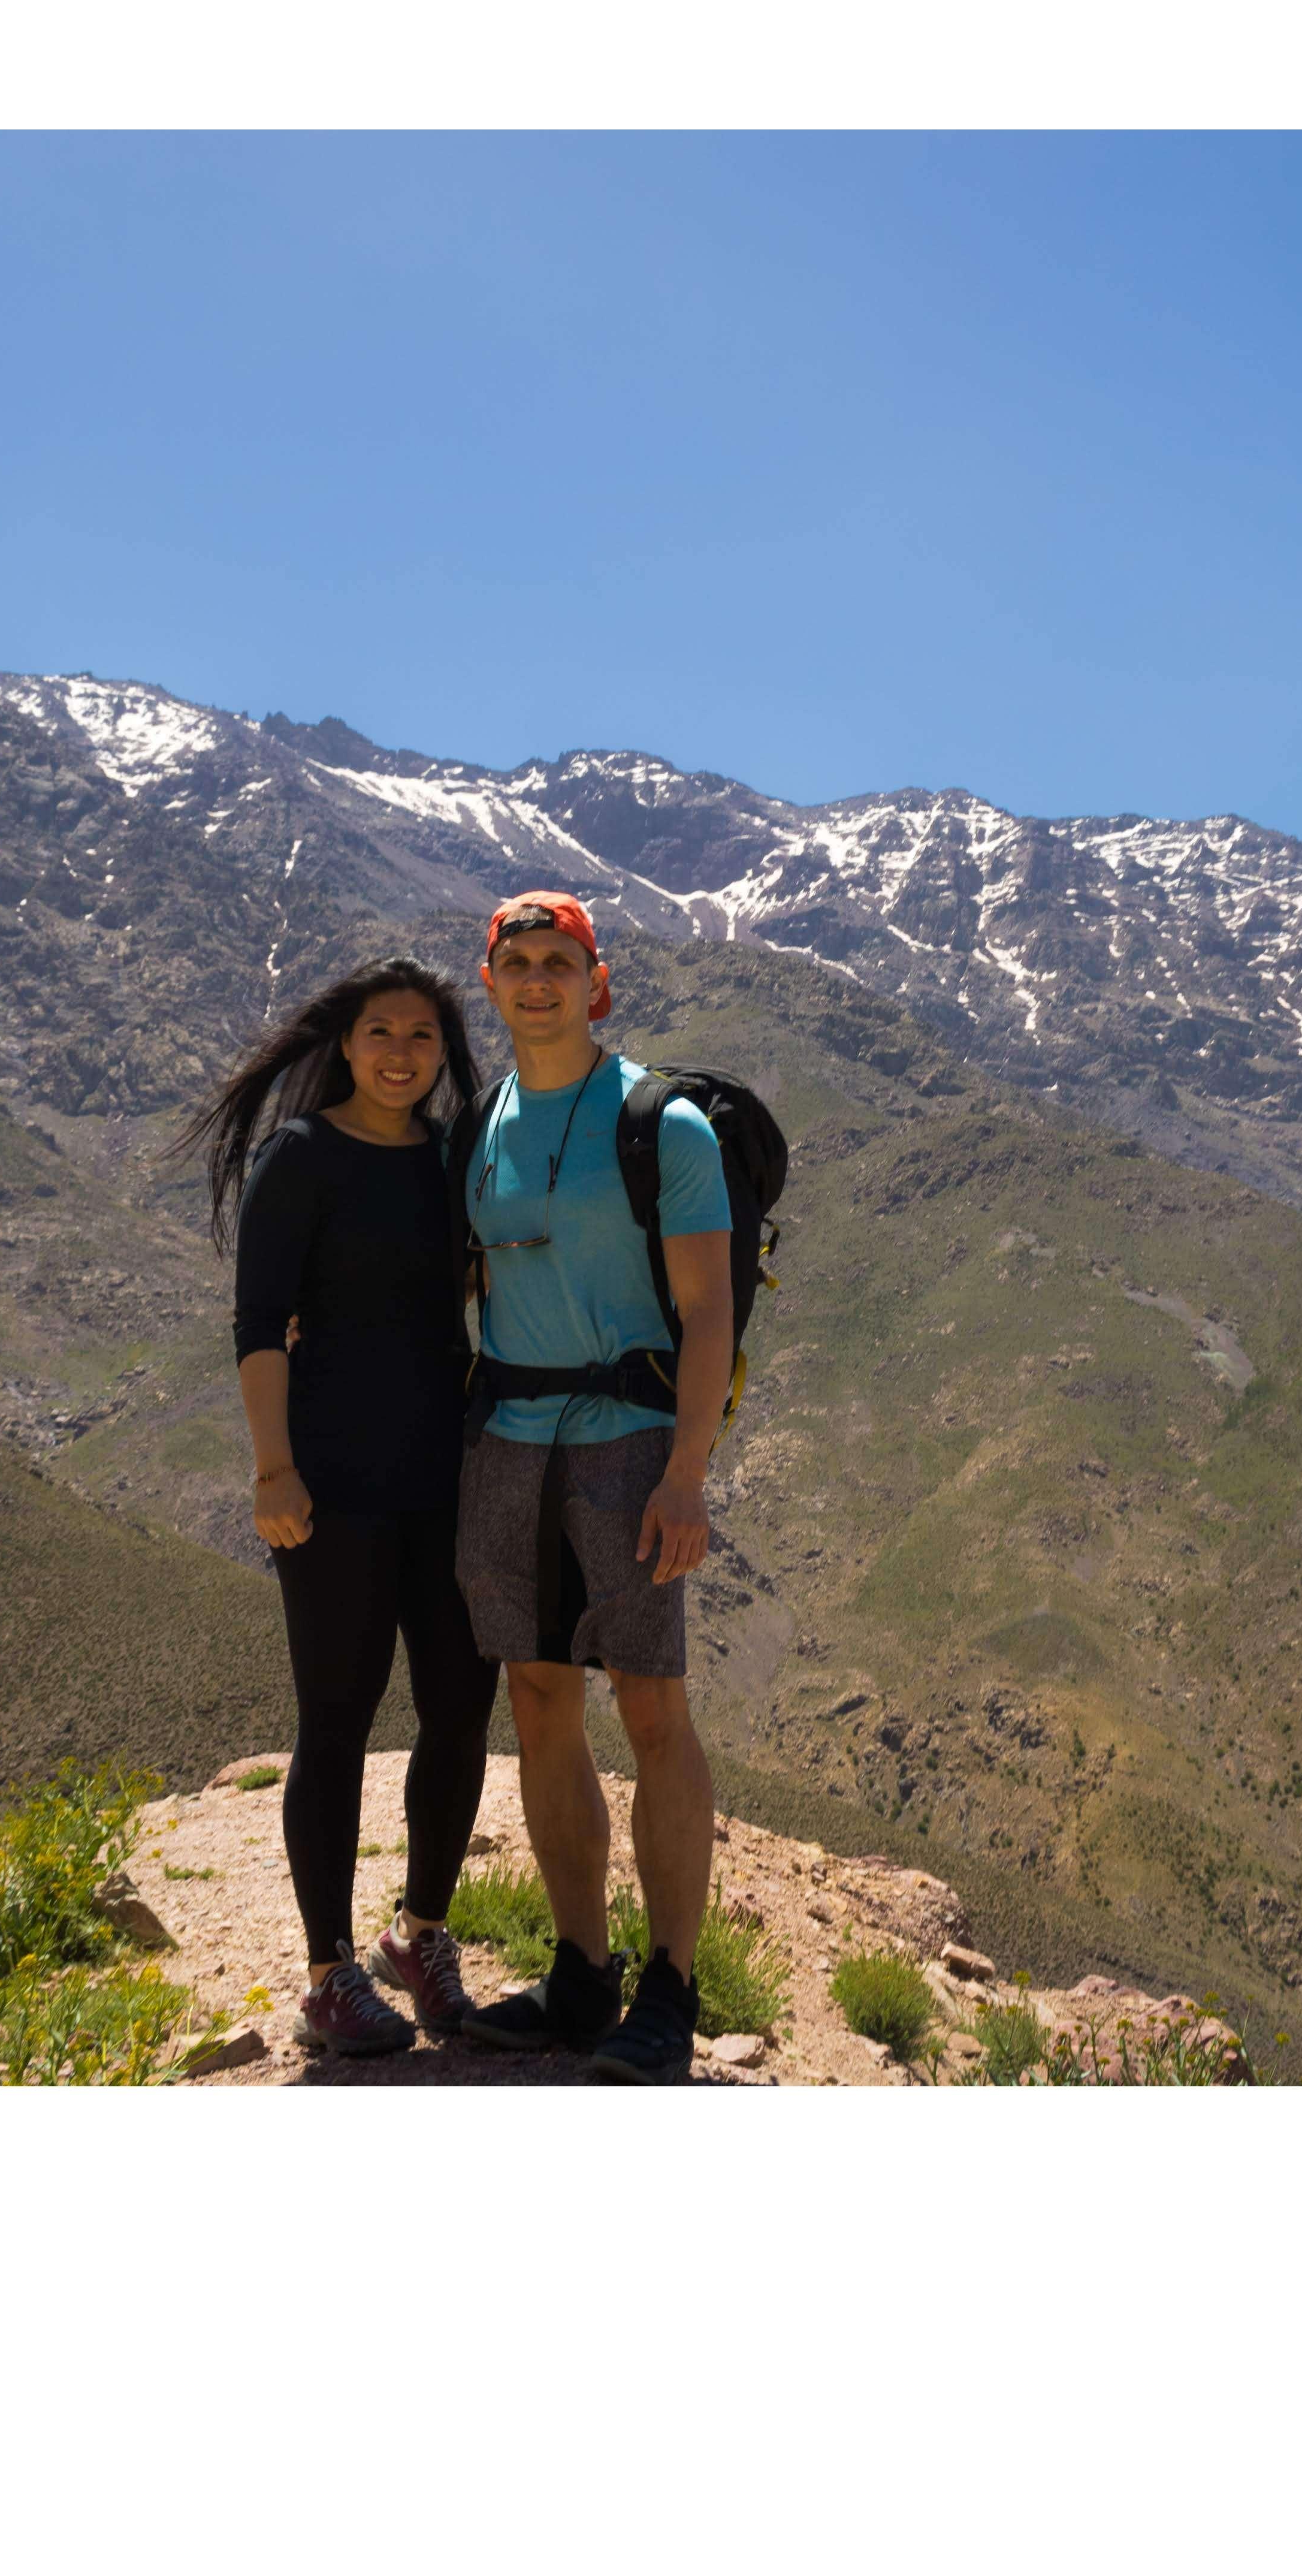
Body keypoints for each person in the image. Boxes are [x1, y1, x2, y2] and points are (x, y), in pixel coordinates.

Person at [174, 956, 499, 2058]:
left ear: (444, 1054)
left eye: (422, 1037)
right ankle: (326, 1973)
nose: (401, 1053)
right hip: (332, 1483)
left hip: (448, 1479)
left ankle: (421, 1937)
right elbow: (258, 1322)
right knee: (339, 1721)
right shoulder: (299, 1156)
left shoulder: (458, 1158)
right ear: (344, 1044)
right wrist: (274, 1469)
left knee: (459, 1708)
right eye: (380, 1032)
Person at [451, 892, 736, 2083]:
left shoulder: (661, 1127)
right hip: (508, 1436)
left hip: (628, 1440)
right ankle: (581, 1969)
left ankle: (669, 1985)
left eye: (556, 961)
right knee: (538, 1695)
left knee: (653, 1706)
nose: (535, 980)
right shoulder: (482, 1122)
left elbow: (710, 1306)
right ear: (490, 979)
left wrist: (687, 1471)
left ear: (596, 980)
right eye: (514, 961)